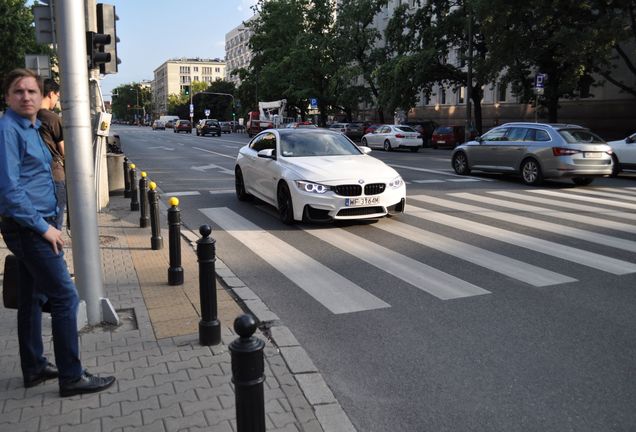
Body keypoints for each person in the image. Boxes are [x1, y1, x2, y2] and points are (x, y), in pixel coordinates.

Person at [0, 68, 115, 397]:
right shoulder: (8, 130)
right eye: (18, 91)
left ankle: (34, 366)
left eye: (32, 92)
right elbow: (9, 191)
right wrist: (45, 229)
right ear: (7, 97)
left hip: (35, 223)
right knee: (65, 297)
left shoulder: (32, 127)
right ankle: (71, 376)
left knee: (31, 298)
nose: (26, 97)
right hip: (30, 228)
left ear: (41, 97)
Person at [37, 78, 66, 229]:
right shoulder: (52, 118)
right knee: (54, 224)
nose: (57, 99)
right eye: (57, 96)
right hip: (54, 176)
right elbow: (64, 150)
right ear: (50, 94)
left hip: (33, 177)